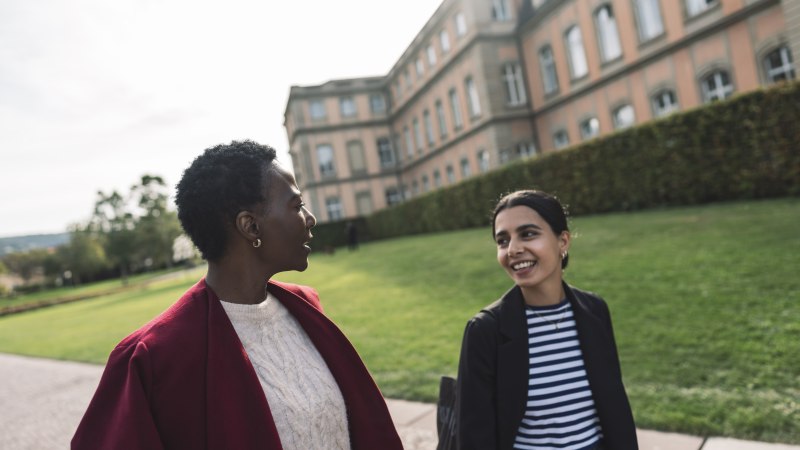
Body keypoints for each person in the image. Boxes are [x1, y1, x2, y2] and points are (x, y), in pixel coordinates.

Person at [72, 140, 403, 450]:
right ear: (251, 226)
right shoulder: (152, 358)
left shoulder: (305, 306)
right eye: (297, 205)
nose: (310, 219)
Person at [456, 190, 637, 450]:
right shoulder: (485, 330)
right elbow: (475, 439)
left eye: (528, 234)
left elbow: (616, 410)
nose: (514, 249)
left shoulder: (595, 311)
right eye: (502, 240)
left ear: (563, 241)